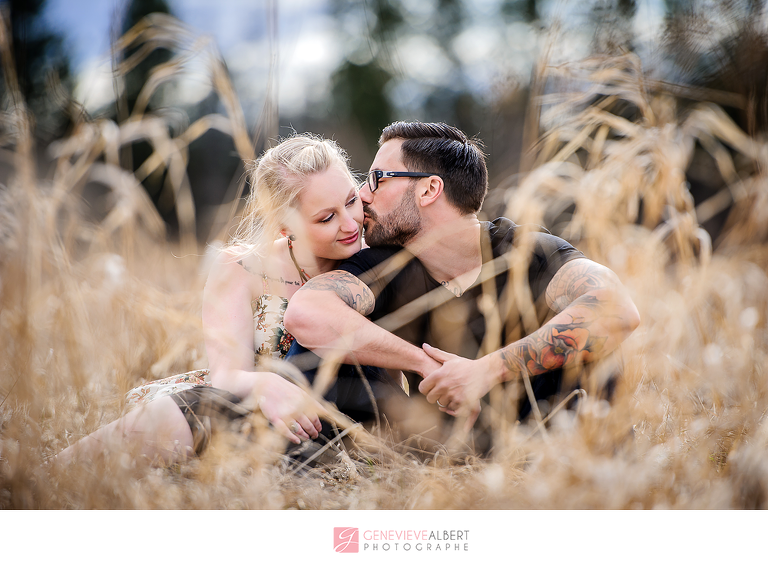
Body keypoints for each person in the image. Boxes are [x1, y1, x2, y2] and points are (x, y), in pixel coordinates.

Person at [283, 121, 640, 445]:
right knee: (323, 345)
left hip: (555, 453)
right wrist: (424, 364)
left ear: (428, 190)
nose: (363, 195)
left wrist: (484, 372)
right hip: (444, 458)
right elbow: (306, 313)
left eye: (378, 179)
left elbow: (618, 308)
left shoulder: (527, 252)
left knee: (589, 332)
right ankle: (310, 465)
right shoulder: (385, 265)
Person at [55, 133, 369, 466]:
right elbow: (228, 375)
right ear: (283, 227)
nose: (351, 223)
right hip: (246, 406)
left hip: (337, 427)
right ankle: (49, 475)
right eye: (326, 218)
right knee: (183, 415)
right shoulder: (242, 268)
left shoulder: (378, 262)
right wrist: (269, 385)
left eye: (351, 200)